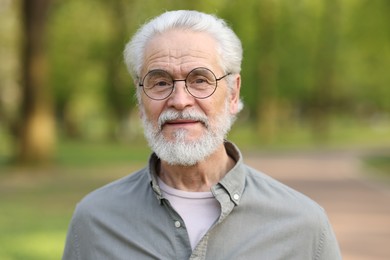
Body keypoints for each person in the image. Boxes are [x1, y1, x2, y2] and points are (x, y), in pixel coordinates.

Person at [63, 10, 341, 259]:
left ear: (233, 93)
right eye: (160, 82)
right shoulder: (95, 220)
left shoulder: (303, 226)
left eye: (200, 80)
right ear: (139, 98)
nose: (180, 100)